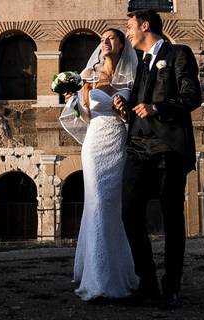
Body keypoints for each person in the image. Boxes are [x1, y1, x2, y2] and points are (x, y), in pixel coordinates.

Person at [114, 9, 201, 309]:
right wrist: (125, 105)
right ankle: (147, 281)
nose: (127, 33)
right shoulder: (139, 63)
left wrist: (157, 108)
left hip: (169, 148)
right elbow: (139, 99)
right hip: (137, 147)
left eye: (130, 26)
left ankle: (171, 287)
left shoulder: (178, 54)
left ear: (145, 25)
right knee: (129, 212)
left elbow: (193, 97)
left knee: (172, 217)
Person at [59, 28, 139, 301]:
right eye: (102, 39)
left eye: (111, 38)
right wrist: (70, 100)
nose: (105, 42)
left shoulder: (133, 75)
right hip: (94, 143)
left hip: (117, 140)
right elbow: (83, 115)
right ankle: (96, 278)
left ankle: (117, 274)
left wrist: (124, 110)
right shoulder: (89, 75)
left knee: (110, 204)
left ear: (122, 45)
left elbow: (134, 117)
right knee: (96, 202)